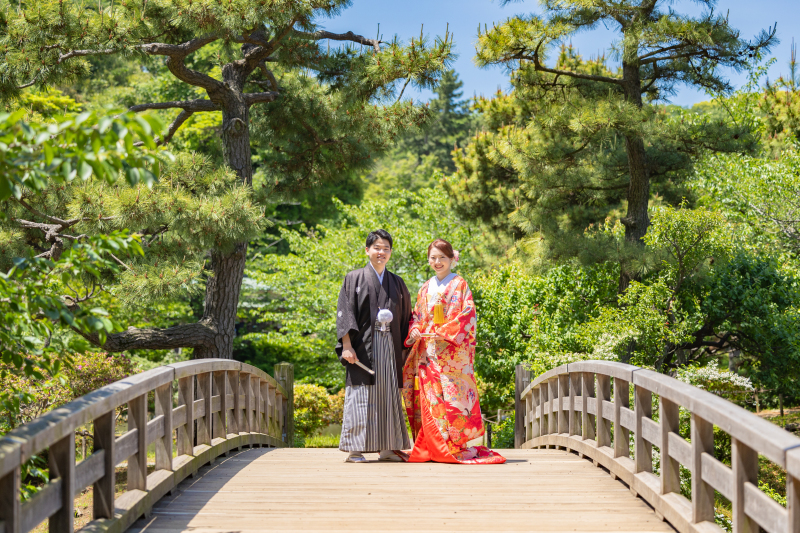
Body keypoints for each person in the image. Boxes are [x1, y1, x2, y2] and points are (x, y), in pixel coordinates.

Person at [402, 239, 505, 464]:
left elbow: (468, 315)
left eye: (442, 258)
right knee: (430, 400)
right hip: (427, 352)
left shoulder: (459, 284)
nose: (437, 262)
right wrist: (416, 331)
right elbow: (417, 317)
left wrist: (445, 333)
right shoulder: (425, 287)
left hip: (451, 356)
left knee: (454, 401)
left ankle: (453, 447)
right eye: (433, 258)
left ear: (451, 259)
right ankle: (431, 447)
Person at [335, 229, 412, 463]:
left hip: (390, 346)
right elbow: (344, 314)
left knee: (388, 395)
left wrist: (406, 349)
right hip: (363, 348)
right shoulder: (354, 278)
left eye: (386, 248)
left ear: (390, 252)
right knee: (360, 396)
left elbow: (407, 317)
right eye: (377, 248)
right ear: (367, 250)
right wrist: (346, 345)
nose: (381, 252)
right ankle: (355, 449)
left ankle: (388, 447)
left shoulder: (397, 283)